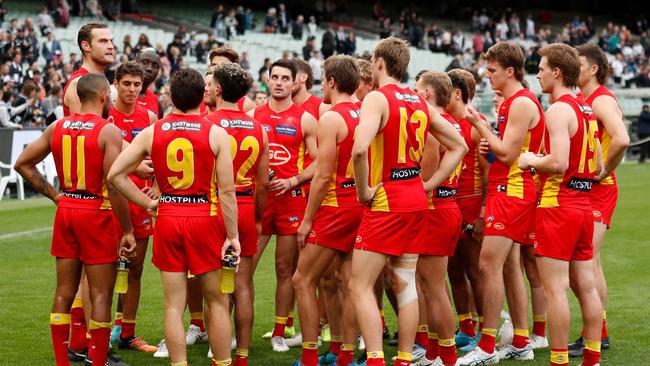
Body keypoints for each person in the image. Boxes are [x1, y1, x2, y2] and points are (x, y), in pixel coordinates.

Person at [108, 68, 240, 366]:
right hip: (204, 217)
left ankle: (179, 363)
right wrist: (232, 236)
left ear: (171, 96)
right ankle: (222, 362)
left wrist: (147, 203)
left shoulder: (153, 131)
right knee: (217, 301)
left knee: (173, 304)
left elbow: (115, 174)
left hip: (168, 216)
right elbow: (228, 192)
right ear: (202, 97)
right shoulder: (216, 133)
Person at [350, 37, 467, 366]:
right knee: (405, 284)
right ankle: (404, 358)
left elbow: (359, 149)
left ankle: (375, 359)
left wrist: (363, 191)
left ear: (380, 64)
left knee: (359, 285)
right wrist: (429, 183)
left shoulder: (377, 98)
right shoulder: (419, 101)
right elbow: (459, 146)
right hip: (415, 197)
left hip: (387, 198)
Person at [14, 73, 136, 366]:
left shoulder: (57, 126)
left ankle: (62, 362)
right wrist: (128, 230)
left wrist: (56, 196)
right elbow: (115, 184)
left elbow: (23, 164)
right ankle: (96, 361)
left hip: (67, 208)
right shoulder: (108, 131)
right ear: (104, 95)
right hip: (96, 213)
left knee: (64, 292)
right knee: (100, 294)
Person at [517, 42, 604, 366]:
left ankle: (559, 360)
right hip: (583, 204)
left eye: (540, 69)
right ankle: (592, 359)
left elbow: (558, 163)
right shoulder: (585, 108)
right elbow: (595, 162)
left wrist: (530, 160)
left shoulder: (558, 109)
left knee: (555, 289)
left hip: (558, 205)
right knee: (588, 287)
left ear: (556, 72)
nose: (537, 74)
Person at [458, 41, 545, 365]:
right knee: (508, 268)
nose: (487, 76)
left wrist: (479, 126)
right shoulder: (513, 102)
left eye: (492, 70)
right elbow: (506, 150)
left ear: (510, 70)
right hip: (507, 189)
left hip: (511, 191)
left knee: (487, 266)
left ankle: (488, 346)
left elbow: (508, 155)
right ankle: (521, 341)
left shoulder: (520, 103)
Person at [291, 55, 363, 366]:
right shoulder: (366, 112)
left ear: (332, 82)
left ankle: (309, 359)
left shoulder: (333, 118)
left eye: (322, 80)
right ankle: (344, 353)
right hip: (361, 204)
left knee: (302, 280)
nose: (322, 85)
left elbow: (322, 174)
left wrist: (307, 220)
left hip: (336, 207)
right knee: (349, 283)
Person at [250, 59, 318, 352]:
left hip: (291, 202)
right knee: (245, 269)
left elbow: (321, 162)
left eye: (284, 78)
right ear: (267, 80)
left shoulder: (305, 119)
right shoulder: (252, 116)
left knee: (283, 268)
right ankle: (237, 332)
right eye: (274, 77)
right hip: (258, 203)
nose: (278, 82)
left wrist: (293, 181)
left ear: (295, 83)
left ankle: (279, 331)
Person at [205, 63, 270, 366]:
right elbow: (264, 181)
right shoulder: (258, 128)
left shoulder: (207, 123)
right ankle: (242, 353)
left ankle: (217, 347)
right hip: (245, 205)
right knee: (243, 285)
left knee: (214, 285)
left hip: (214, 206)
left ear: (218, 90)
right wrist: (258, 217)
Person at [572, 42, 630, 357]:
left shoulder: (602, 99)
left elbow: (622, 138)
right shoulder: (583, 99)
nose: (571, 67)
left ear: (593, 68)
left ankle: (597, 333)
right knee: (585, 262)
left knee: (587, 261)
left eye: (577, 63)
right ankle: (596, 330)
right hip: (585, 188)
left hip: (600, 189)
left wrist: (604, 169)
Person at [411, 70, 466, 366]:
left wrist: (425, 188)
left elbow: (427, 175)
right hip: (445, 206)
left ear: (428, 94)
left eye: (417, 88)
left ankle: (446, 356)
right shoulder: (449, 122)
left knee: (433, 287)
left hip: (435, 208)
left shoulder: (432, 125)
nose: (413, 92)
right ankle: (435, 351)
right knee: (431, 285)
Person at [107, 61, 158, 353]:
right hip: (111, 202)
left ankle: (127, 332)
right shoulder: (107, 115)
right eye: (127, 84)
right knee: (108, 268)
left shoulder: (149, 115)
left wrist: (159, 187)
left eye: (137, 85)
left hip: (140, 202)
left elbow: (159, 155)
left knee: (135, 269)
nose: (132, 90)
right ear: (116, 84)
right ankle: (100, 331)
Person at [63, 22, 115, 117]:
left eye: (111, 41)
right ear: (86, 46)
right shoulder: (79, 83)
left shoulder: (101, 80)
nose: (111, 46)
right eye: (103, 41)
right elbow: (83, 131)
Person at [207, 47, 256, 112]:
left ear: (234, 69)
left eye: (223, 65)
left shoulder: (246, 105)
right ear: (209, 67)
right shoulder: (196, 99)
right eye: (214, 65)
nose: (216, 69)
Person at [134, 48, 162, 116]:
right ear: (135, 63)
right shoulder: (116, 94)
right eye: (145, 62)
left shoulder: (156, 102)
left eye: (155, 66)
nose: (149, 68)